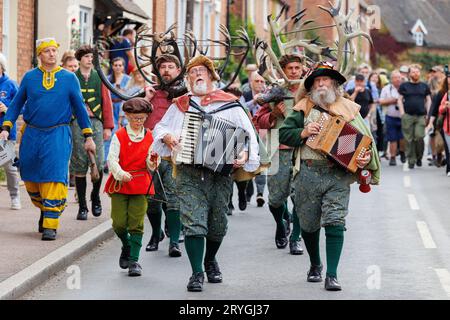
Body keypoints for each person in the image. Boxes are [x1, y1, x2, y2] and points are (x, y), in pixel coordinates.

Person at [152, 55, 260, 292]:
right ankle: (196, 272)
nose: (197, 74)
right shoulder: (180, 104)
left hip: (220, 175)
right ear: (188, 78)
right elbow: (160, 127)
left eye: (202, 70)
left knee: (218, 225)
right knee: (193, 223)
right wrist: (167, 137)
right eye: (192, 72)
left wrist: (243, 155)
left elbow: (248, 135)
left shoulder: (229, 103)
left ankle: (210, 259)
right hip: (189, 172)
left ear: (211, 75)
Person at [279, 61, 380, 291]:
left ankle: (332, 274)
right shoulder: (303, 107)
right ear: (312, 86)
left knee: (335, 221)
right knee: (308, 223)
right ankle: (315, 264)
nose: (321, 83)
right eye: (317, 80)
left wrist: (363, 159)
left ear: (335, 84)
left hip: (338, 175)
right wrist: (304, 132)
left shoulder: (350, 108)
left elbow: (366, 143)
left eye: (325, 79)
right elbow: (284, 133)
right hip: (308, 172)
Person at [0, 38, 95, 240]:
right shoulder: (30, 77)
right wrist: (6, 127)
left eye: (54, 50)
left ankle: (51, 224)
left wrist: (88, 135)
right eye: (47, 51)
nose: (52, 54)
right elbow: (16, 104)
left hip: (58, 134)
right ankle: (45, 209)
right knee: (31, 177)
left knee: (54, 175)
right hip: (32, 133)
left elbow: (80, 108)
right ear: (39, 55)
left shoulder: (70, 79)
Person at [255, 54, 304, 255]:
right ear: (283, 70)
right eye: (289, 68)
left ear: (302, 69)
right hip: (277, 150)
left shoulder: (308, 92)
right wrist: (274, 115)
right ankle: (281, 223)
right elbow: (259, 120)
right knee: (275, 199)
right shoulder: (274, 93)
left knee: (300, 197)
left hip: (302, 150)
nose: (293, 71)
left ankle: (296, 237)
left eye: (297, 68)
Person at [104, 98, 156, 277]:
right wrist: (120, 174)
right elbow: (111, 159)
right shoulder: (119, 135)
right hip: (121, 182)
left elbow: (151, 164)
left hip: (141, 183)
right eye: (135, 118)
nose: (138, 122)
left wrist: (152, 161)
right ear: (127, 116)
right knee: (118, 223)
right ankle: (126, 245)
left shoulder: (150, 135)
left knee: (137, 223)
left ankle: (134, 260)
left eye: (141, 118)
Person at [143, 54, 184, 257]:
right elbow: (137, 117)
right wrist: (146, 99)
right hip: (152, 152)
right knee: (152, 197)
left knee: (173, 197)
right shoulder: (152, 94)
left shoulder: (186, 95)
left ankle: (174, 241)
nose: (166, 70)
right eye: (163, 67)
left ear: (178, 70)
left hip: (175, 153)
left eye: (171, 66)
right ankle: (155, 234)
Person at [72, 45, 114, 220]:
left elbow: (107, 102)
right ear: (80, 58)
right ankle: (82, 206)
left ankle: (95, 197)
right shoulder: (72, 77)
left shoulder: (99, 76)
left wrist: (107, 127)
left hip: (96, 122)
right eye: (87, 56)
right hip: (76, 123)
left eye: (92, 57)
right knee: (79, 162)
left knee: (97, 159)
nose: (90, 59)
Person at [398, 64, 432, 169]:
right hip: (407, 115)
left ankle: (419, 157)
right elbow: (399, 99)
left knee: (419, 136)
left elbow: (428, 100)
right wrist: (402, 113)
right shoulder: (404, 86)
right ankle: (411, 160)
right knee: (408, 139)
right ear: (409, 74)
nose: (416, 74)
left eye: (417, 72)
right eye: (413, 72)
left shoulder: (424, 86)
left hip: (421, 116)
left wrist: (428, 113)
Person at [0, 52, 21, 210]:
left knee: (8, 166)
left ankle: (15, 196)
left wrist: (7, 109)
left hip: (5, 132)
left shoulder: (11, 84)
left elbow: (23, 106)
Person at [103, 57, 131, 172]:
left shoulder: (128, 79)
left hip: (122, 108)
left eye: (120, 65)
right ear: (112, 66)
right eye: (116, 65)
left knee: (123, 135)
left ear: (123, 67)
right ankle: (106, 162)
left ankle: (123, 160)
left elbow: (130, 93)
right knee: (109, 134)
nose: (118, 67)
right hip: (111, 106)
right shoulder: (108, 79)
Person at [379, 70, 406, 166]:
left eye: (399, 77)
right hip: (391, 117)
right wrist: (392, 100)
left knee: (403, 138)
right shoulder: (386, 89)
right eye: (395, 77)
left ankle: (402, 152)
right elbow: (381, 101)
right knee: (392, 138)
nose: (398, 79)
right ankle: (393, 157)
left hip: (403, 117)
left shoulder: (405, 88)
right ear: (391, 79)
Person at [436, 72, 450, 176]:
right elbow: (440, 109)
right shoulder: (447, 94)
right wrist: (445, 106)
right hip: (448, 127)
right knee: (449, 149)